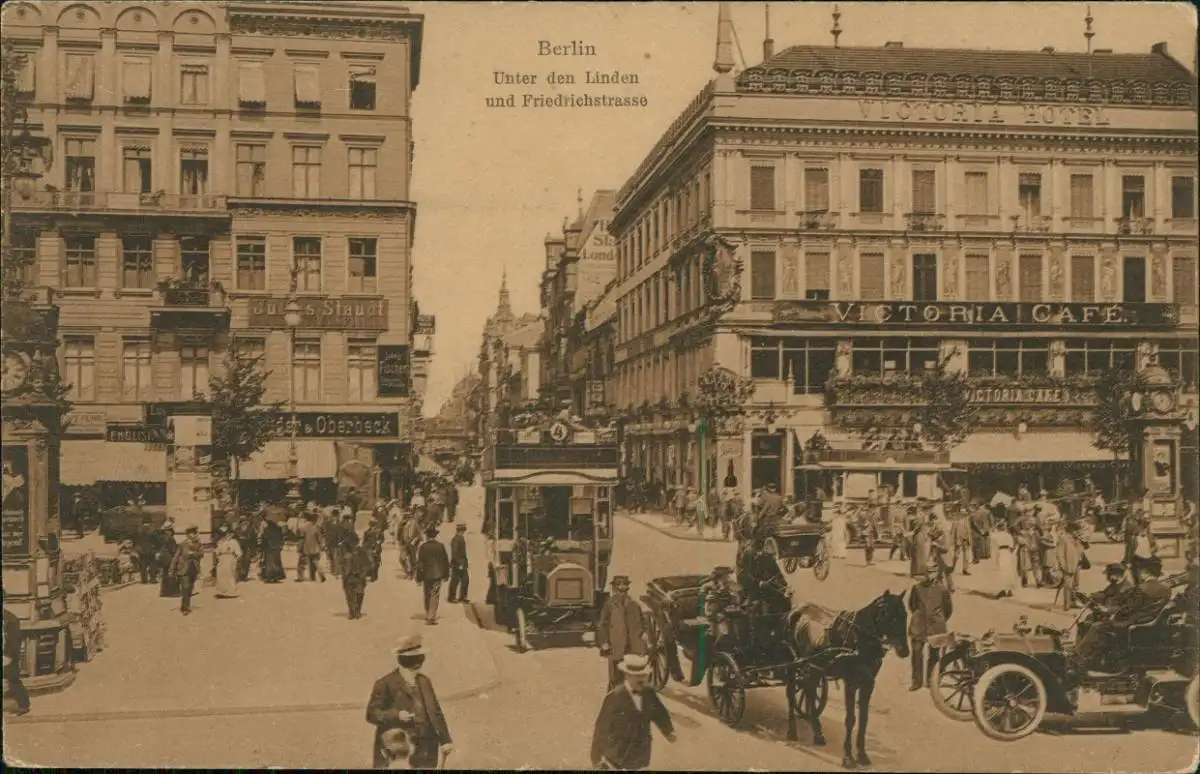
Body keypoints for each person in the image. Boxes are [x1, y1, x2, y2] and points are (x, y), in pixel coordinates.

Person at [367, 634, 453, 769]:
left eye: (417, 669)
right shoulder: (385, 684)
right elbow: (372, 714)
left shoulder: (425, 681)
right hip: (399, 750)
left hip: (426, 749)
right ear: (403, 663)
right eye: (410, 671)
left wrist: (445, 740)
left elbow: (436, 712)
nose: (414, 674)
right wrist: (397, 714)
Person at [1073, 557, 1171, 674]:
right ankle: (1091, 657)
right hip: (1148, 621)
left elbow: (1128, 610)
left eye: (1141, 572)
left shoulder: (1142, 588)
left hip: (1134, 622)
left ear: (1145, 572)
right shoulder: (1166, 589)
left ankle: (1078, 658)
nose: (1139, 575)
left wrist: (1110, 612)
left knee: (1096, 626)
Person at [590, 653, 676, 771]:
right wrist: (596, 756)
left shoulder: (649, 692)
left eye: (643, 675)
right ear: (627, 675)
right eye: (637, 676)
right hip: (619, 752)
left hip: (640, 751)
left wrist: (668, 730)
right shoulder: (615, 696)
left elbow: (659, 712)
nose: (641, 679)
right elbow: (601, 727)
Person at [597, 575, 647, 691]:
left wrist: (644, 633)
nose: (622, 592)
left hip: (632, 647)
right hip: (616, 646)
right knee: (615, 678)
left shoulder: (634, 605)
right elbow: (603, 624)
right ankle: (612, 702)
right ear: (614, 589)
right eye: (619, 589)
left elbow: (643, 622)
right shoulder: (609, 605)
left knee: (631, 677)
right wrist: (604, 642)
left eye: (624, 589)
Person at [907, 571, 953, 691]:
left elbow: (948, 609)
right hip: (919, 625)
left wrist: (939, 619)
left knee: (934, 654)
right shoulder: (916, 588)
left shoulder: (942, 589)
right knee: (916, 653)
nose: (929, 575)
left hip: (936, 625)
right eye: (927, 573)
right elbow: (912, 605)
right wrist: (919, 616)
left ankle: (930, 680)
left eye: (932, 572)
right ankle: (916, 681)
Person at [2, 589, 30, 716]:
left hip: (8, 654)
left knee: (12, 678)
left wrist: (9, 655)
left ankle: (24, 704)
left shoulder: (10, 619)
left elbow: (14, 640)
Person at [415, 526, 450, 625]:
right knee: (435, 595)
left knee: (427, 593)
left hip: (426, 575)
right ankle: (431, 616)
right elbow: (445, 561)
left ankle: (427, 613)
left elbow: (420, 564)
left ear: (427, 536)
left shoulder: (423, 547)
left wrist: (418, 577)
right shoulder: (440, 546)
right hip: (438, 574)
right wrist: (446, 574)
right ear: (435, 535)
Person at [170, 526, 204, 615]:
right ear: (188, 535)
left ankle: (185, 604)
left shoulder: (198, 544)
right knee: (185, 587)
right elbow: (176, 556)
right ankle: (185, 608)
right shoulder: (182, 544)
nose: (193, 535)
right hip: (183, 568)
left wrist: (193, 553)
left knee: (190, 588)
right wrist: (172, 568)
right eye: (191, 533)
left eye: (195, 533)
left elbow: (201, 554)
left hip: (194, 568)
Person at [1054, 521, 1087, 610]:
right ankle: (1066, 605)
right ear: (1073, 530)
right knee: (1068, 585)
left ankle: (1074, 601)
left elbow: (1082, 551)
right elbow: (1059, 553)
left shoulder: (1078, 539)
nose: (1080, 532)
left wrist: (1082, 541)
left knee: (1076, 584)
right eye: (1079, 531)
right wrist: (1063, 565)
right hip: (1068, 565)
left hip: (1077, 564)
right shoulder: (1064, 539)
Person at [343, 531, 371, 620]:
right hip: (348, 577)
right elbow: (341, 565)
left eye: (352, 543)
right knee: (349, 596)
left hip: (359, 577)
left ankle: (357, 611)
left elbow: (368, 564)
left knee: (359, 594)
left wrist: (364, 573)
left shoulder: (362, 551)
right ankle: (351, 611)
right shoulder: (345, 553)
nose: (351, 545)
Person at [214, 524, 243, 599]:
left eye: (227, 534)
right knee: (221, 574)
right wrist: (218, 556)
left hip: (230, 558)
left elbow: (239, 552)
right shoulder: (220, 542)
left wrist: (235, 558)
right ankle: (223, 590)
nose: (226, 536)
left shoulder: (233, 541)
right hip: (222, 559)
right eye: (224, 534)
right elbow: (217, 551)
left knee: (230, 575)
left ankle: (231, 591)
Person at [296, 513, 326, 583]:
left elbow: (298, 529)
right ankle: (321, 575)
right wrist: (321, 545)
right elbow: (319, 537)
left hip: (306, 546)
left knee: (302, 562)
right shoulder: (316, 526)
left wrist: (299, 519)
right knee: (315, 562)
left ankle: (300, 577)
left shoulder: (306, 525)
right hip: (315, 547)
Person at [992, 522, 1018, 599]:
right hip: (1008, 552)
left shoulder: (996, 536)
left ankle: (1003, 589)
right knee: (1009, 571)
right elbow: (1012, 545)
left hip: (1000, 552)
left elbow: (994, 545)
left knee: (1002, 571)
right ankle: (1009, 589)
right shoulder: (1008, 535)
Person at [134, 516, 160, 585]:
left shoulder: (139, 531)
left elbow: (136, 541)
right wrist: (157, 549)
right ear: (149, 522)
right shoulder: (152, 530)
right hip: (151, 550)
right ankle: (152, 579)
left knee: (143, 565)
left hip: (141, 551)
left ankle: (144, 580)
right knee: (152, 565)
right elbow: (157, 541)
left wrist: (137, 550)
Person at [948, 505, 973, 576]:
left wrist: (969, 540)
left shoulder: (967, 521)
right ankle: (952, 567)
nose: (964, 515)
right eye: (962, 513)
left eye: (965, 513)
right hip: (958, 540)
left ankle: (965, 570)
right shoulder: (956, 521)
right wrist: (952, 541)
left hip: (965, 540)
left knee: (966, 556)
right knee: (956, 555)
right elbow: (952, 532)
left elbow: (969, 531)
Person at [448, 523, 469, 603]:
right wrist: (459, 563)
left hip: (461, 563)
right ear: (461, 531)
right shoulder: (457, 539)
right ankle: (452, 597)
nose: (463, 532)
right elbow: (455, 553)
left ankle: (462, 597)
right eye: (463, 531)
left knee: (464, 580)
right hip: (458, 564)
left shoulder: (458, 538)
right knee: (456, 580)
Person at [260, 518, 286, 583]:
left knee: (269, 563)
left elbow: (264, 538)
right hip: (277, 548)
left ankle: (269, 577)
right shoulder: (279, 529)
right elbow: (282, 538)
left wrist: (262, 547)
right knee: (277, 562)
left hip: (269, 548)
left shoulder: (267, 529)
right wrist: (280, 546)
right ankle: (276, 577)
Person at [158, 523, 180, 597]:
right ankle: (172, 592)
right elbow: (173, 550)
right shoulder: (170, 538)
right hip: (168, 558)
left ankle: (164, 592)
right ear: (169, 530)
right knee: (171, 574)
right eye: (171, 530)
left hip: (163, 558)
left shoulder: (162, 537)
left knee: (165, 575)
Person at [234, 516, 257, 583]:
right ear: (240, 522)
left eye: (245, 521)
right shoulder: (237, 529)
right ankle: (239, 575)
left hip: (248, 547)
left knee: (247, 561)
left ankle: (244, 576)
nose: (244, 522)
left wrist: (254, 550)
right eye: (242, 521)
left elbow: (254, 539)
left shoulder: (251, 529)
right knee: (239, 561)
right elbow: (235, 538)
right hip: (239, 547)